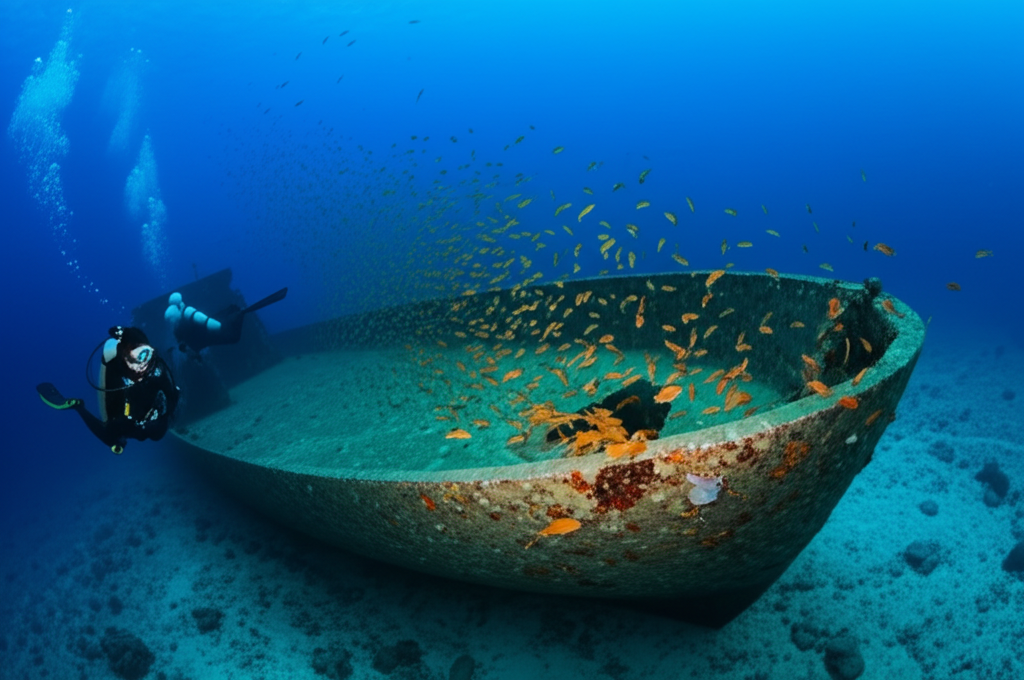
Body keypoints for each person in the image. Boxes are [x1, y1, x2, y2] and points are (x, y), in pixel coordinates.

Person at [37, 326, 179, 454]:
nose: (141, 366)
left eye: (144, 354)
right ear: (124, 361)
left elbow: (172, 394)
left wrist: (162, 412)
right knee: (114, 438)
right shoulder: (115, 377)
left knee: (157, 434)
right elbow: (109, 423)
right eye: (134, 360)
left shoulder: (156, 366)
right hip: (127, 414)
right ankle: (78, 407)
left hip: (151, 414)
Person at [164, 287, 287, 354]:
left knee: (226, 315)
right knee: (233, 319)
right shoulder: (189, 312)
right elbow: (214, 325)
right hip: (221, 334)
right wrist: (232, 320)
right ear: (180, 302)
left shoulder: (176, 325)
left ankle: (237, 313)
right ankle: (240, 312)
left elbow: (182, 346)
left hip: (200, 343)